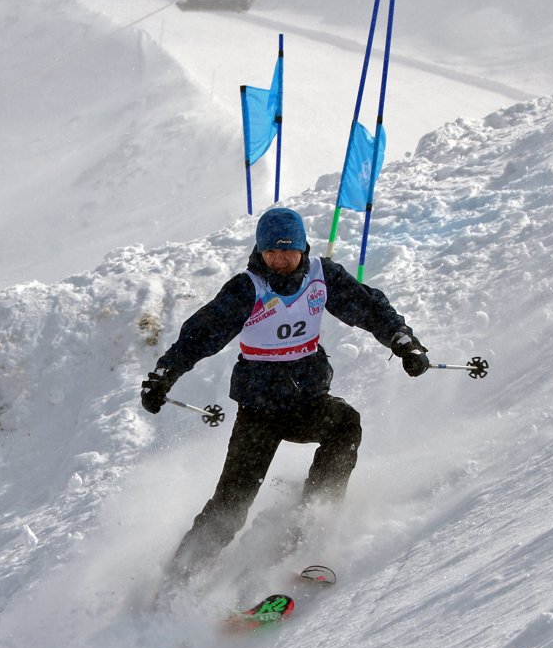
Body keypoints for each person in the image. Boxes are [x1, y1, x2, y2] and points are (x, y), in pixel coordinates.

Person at [140, 207, 430, 587]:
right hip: (259, 410)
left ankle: (309, 523)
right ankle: (176, 582)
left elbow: (368, 307)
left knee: (344, 424)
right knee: (232, 503)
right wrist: (165, 374)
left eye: (286, 251)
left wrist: (403, 341)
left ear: (302, 248)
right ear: (259, 252)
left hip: (306, 401)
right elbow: (201, 333)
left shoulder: (321, 276)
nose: (278, 260)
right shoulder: (248, 288)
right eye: (270, 253)